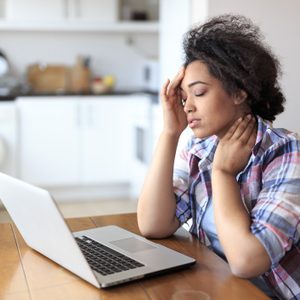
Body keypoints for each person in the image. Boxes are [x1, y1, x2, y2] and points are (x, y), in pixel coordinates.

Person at [137, 14, 300, 300]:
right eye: (184, 97)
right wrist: (170, 133)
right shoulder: (200, 148)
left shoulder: (286, 153)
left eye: (198, 92)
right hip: (219, 285)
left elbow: (247, 261)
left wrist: (224, 174)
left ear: (239, 91)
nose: (187, 106)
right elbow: (154, 224)